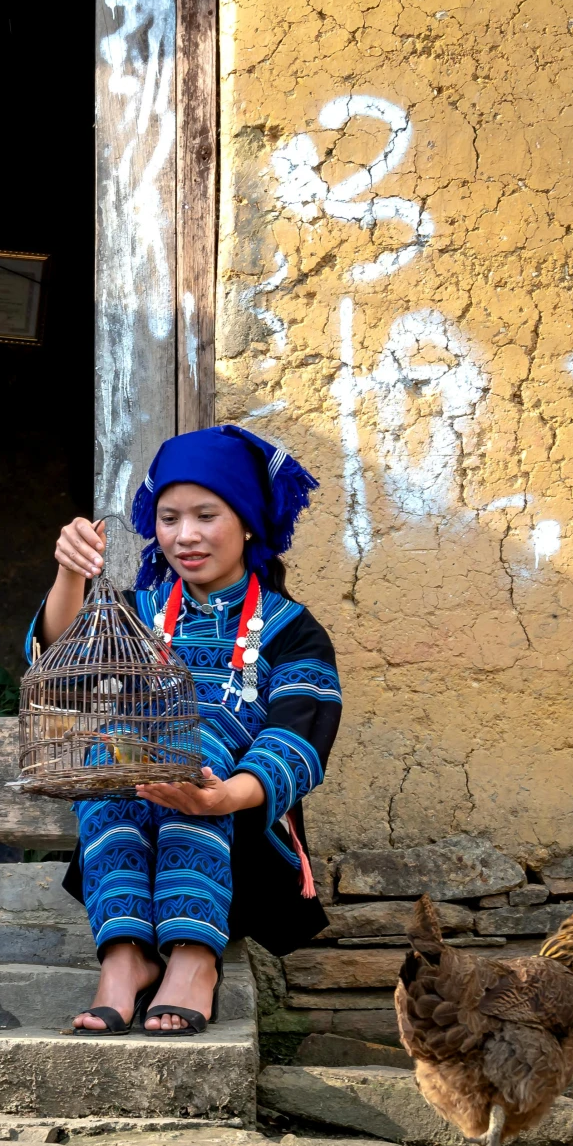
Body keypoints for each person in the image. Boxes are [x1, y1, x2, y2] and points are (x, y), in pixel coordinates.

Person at [37, 425, 342, 1036]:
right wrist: (71, 574)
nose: (186, 536)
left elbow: (299, 737)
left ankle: (195, 958)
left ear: (248, 521)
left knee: (184, 749)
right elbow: (62, 668)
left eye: (207, 515)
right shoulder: (137, 612)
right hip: (132, 812)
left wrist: (225, 794)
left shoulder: (291, 629)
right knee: (115, 750)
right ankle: (125, 960)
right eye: (171, 518)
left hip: (240, 829)